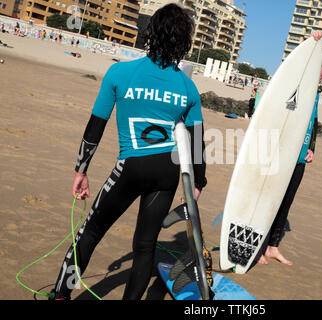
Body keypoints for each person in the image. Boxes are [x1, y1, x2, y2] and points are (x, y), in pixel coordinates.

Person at [50, 3, 206, 300]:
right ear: (184, 41)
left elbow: (95, 125)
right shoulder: (188, 88)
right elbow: (197, 141)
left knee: (91, 232)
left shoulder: (120, 73)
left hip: (132, 166)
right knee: (145, 245)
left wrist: (81, 170)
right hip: (167, 172)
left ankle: (60, 295)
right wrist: (198, 183)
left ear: (150, 33)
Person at [258, 31, 322, 266]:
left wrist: (312, 148)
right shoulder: (294, 86)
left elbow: (314, 122)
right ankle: (257, 248)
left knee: (286, 202)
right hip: (281, 156)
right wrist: (312, 42)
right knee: (269, 200)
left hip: (299, 158)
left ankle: (272, 248)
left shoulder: (316, 94)